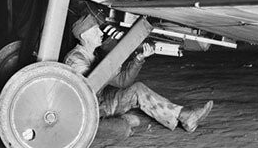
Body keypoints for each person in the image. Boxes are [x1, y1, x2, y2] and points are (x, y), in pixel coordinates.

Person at [64, 14, 213, 133]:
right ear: (84, 36)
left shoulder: (94, 54)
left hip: (102, 103)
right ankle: (116, 122)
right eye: (95, 30)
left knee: (138, 89)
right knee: (127, 125)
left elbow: (123, 81)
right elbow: (89, 88)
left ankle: (186, 117)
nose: (100, 32)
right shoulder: (75, 59)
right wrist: (113, 61)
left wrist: (139, 58)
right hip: (87, 111)